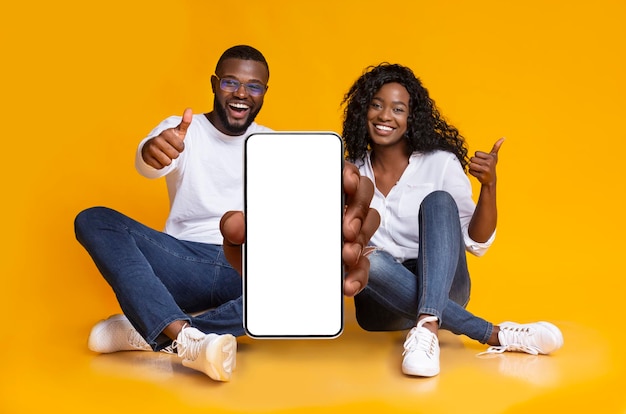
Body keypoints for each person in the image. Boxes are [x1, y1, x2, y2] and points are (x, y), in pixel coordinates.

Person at [74, 45, 379, 382]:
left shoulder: (272, 144)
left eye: (253, 86)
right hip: (181, 263)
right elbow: (150, 160)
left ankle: (160, 332)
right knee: (94, 218)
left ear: (264, 93)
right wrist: (151, 152)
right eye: (230, 82)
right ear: (213, 84)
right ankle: (178, 333)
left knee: (309, 284)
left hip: (245, 265)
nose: (241, 94)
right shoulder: (181, 131)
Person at [340, 63, 563, 378]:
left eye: (398, 108)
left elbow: (477, 243)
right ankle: (495, 334)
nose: (385, 115)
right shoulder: (349, 172)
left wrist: (489, 186)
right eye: (376, 105)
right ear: (363, 111)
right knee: (367, 259)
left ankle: (426, 326)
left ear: (411, 117)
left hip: (445, 287)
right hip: (380, 304)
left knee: (439, 201)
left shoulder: (440, 164)